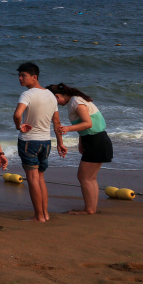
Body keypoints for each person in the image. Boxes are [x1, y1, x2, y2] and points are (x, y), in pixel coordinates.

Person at [47, 83, 112, 215]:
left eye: (54, 101)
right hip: (94, 140)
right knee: (90, 178)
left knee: (84, 177)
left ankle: (89, 209)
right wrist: (81, 141)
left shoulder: (76, 101)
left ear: (57, 96)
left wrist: (67, 128)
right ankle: (91, 208)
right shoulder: (74, 101)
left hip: (96, 141)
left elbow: (88, 123)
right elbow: (84, 125)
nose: (56, 105)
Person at [13, 62, 66, 222]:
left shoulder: (27, 94)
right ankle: (45, 214)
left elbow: (17, 114)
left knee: (33, 179)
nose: (20, 78)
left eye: (24, 75)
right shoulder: (51, 95)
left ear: (34, 77)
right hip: (46, 142)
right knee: (40, 178)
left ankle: (39, 216)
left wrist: (19, 126)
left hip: (29, 141)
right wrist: (60, 143)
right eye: (19, 75)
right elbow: (57, 122)